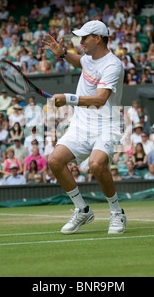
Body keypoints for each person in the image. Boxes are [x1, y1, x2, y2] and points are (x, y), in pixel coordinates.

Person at [42, 20, 127, 234]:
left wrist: (67, 98)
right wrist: (62, 54)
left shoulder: (113, 66)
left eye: (84, 38)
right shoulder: (89, 58)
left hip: (107, 125)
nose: (80, 42)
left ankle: (117, 212)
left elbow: (100, 100)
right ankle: (82, 210)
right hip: (81, 125)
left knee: (97, 164)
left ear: (97, 38)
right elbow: (81, 62)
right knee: (54, 160)